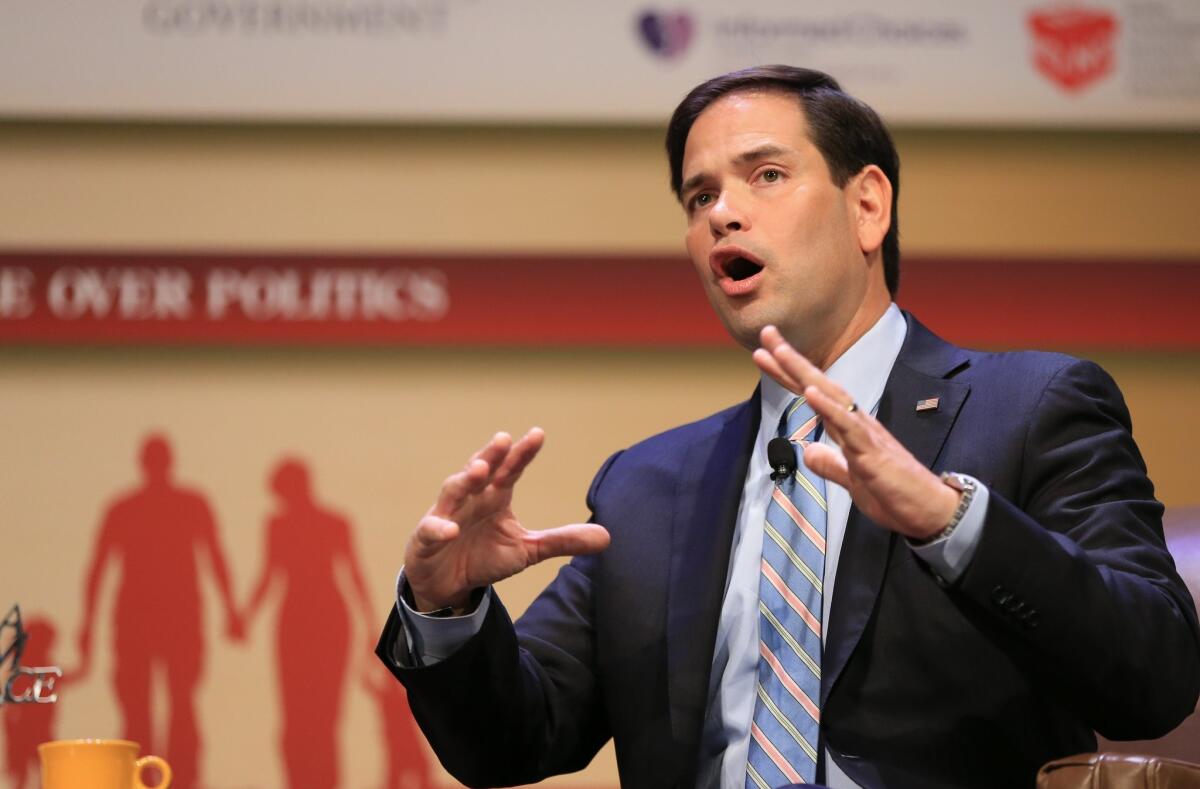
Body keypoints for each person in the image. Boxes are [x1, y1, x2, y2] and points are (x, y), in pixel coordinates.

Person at [374, 66, 1200, 788]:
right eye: (700, 197)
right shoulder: (648, 486)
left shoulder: (1033, 406)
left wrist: (954, 524)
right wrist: (447, 606)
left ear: (868, 205)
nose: (722, 214)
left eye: (764, 175)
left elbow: (1154, 677)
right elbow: (514, 737)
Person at [77, 433, 243, 789]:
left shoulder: (137, 507)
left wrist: (88, 625)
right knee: (151, 707)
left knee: (173, 705)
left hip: (167, 618)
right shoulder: (144, 507)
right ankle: (159, 779)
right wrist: (230, 609)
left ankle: (173, 779)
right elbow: (99, 567)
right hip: (150, 619)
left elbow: (214, 557)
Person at [242, 458, 377, 789]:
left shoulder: (330, 524)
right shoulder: (288, 524)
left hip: (322, 621)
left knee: (322, 717)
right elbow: (270, 575)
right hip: (303, 621)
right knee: (300, 718)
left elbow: (353, 574)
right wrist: (246, 616)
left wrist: (371, 625)